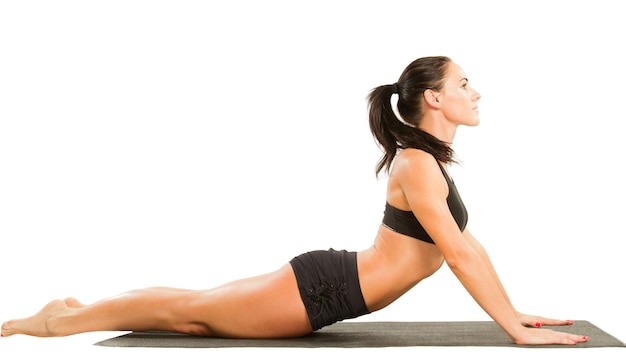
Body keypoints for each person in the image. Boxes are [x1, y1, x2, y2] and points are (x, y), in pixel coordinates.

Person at [1, 56, 588, 345]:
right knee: (192, 315)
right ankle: (55, 321)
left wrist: (517, 314)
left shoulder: (427, 162)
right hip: (322, 290)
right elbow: (457, 258)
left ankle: (74, 305)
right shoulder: (415, 163)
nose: (475, 91)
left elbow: (469, 247)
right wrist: (515, 331)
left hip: (329, 285)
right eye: (464, 83)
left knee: (197, 307)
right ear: (433, 99)